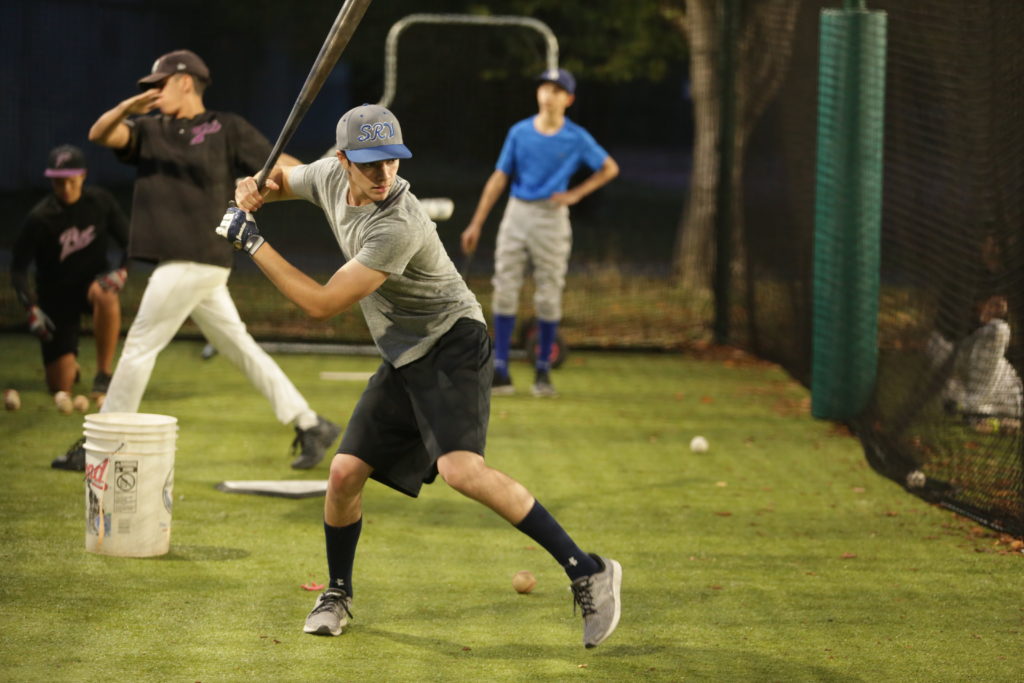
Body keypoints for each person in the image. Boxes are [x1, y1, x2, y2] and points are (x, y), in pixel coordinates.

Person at [221, 103, 622, 648]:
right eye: (370, 163)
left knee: (462, 470)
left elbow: (320, 304)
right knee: (342, 475)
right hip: (403, 353)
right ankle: (337, 592)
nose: (384, 173)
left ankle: (588, 569)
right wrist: (257, 186)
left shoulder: (398, 224)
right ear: (342, 161)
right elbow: (286, 176)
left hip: (452, 342)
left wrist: (253, 241)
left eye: (392, 160)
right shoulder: (327, 176)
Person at [50, 49, 339, 471]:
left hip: (196, 256)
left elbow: (282, 168)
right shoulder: (148, 129)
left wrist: (328, 178)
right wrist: (130, 107)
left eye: (158, 85)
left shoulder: (227, 127)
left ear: (185, 81)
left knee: (138, 349)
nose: (151, 93)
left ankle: (102, 445)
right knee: (240, 348)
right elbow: (100, 134)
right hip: (191, 264)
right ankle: (310, 423)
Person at [461, 68, 619, 397]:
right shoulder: (519, 132)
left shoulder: (575, 137)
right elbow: (499, 178)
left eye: (557, 90)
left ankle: (543, 373)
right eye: (545, 88)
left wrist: (576, 194)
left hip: (552, 217)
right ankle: (501, 369)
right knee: (504, 288)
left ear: (569, 99)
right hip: (517, 212)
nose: (549, 95)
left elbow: (609, 167)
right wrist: (477, 222)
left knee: (548, 294)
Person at [10, 144, 128, 403]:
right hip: (56, 299)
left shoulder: (100, 203)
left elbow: (130, 242)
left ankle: (103, 374)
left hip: (91, 289)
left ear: (83, 176)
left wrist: (122, 271)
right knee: (60, 386)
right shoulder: (40, 218)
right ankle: (69, 366)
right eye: (58, 182)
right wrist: (31, 308)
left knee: (107, 293)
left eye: (71, 181)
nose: (65, 188)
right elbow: (18, 269)